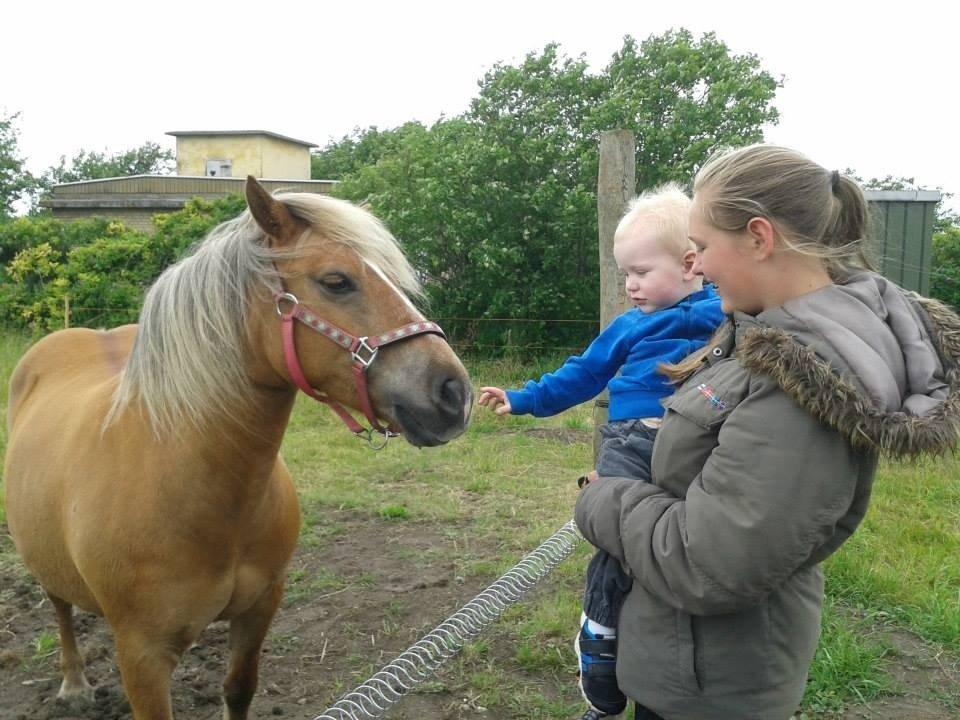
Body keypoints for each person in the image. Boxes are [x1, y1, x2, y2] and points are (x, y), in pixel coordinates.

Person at [574, 144, 960, 720]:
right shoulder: (757, 334)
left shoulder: (798, 379)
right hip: (693, 660)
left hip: (712, 684)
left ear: (758, 238)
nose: (697, 267)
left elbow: (708, 561)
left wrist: (602, 497)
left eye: (702, 248)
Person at [477, 184, 725, 719]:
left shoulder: (725, 313)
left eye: (640, 272)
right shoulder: (630, 327)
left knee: (675, 545)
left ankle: (663, 663)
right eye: (625, 275)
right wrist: (523, 399)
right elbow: (584, 375)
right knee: (620, 539)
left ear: (689, 263)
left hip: (695, 442)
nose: (631, 286)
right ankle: (601, 632)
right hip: (631, 440)